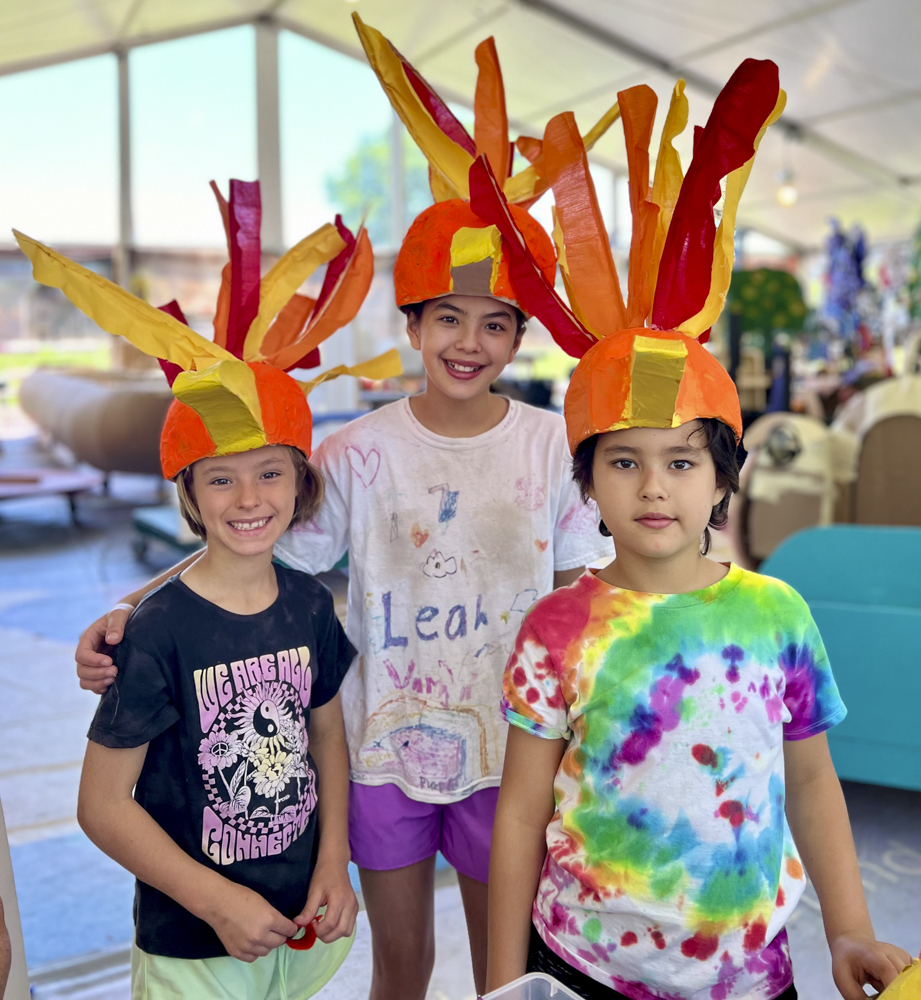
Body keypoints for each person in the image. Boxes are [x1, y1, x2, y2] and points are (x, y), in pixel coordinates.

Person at [73, 22, 616, 1000]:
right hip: (379, 750)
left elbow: (587, 595)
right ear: (410, 322)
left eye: (495, 323)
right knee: (399, 965)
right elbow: (257, 552)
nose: (469, 340)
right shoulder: (357, 452)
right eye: (447, 316)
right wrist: (131, 608)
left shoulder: (545, 447)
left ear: (518, 334)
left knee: (508, 967)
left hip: (514, 751)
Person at [478, 60, 913, 1000]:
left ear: (722, 479)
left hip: (747, 976)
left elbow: (810, 786)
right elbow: (517, 818)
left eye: (681, 461)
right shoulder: (558, 626)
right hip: (581, 964)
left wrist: (846, 933)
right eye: (622, 460)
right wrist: (501, 984)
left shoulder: (776, 614)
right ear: (585, 478)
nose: (652, 487)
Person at [17, 180, 399, 1000]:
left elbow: (327, 737)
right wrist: (214, 900)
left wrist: (335, 861)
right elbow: (102, 806)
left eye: (270, 474)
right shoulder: (155, 632)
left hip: (299, 918)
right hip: (195, 944)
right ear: (187, 497)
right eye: (220, 480)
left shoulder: (306, 605)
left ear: (301, 486)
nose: (250, 498)